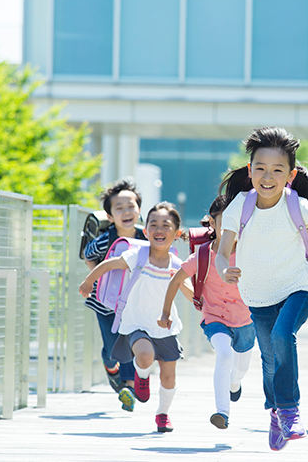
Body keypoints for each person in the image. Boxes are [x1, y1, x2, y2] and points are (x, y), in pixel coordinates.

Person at [215, 126, 308, 451]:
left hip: (298, 288)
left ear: (290, 175)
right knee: (270, 359)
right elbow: (221, 252)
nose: (267, 176)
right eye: (260, 168)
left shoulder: (297, 205)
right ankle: (275, 411)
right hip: (257, 296)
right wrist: (225, 271)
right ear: (250, 171)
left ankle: (290, 410)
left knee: (280, 336)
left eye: (277, 170)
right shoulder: (240, 206)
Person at [80, 202, 190, 433]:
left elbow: (190, 293)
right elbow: (110, 263)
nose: (159, 229)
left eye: (166, 225)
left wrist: (200, 298)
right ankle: (142, 376)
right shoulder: (137, 255)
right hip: (137, 323)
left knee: (169, 378)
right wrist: (89, 280)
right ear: (146, 230)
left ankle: (162, 414)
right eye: (153, 225)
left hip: (165, 327)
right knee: (144, 354)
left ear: (177, 233)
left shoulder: (178, 265)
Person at [158, 195, 255, 430]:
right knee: (224, 355)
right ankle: (222, 411)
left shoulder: (250, 252)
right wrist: (165, 313)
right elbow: (176, 280)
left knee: (240, 369)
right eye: (226, 223)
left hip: (246, 321)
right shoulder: (202, 255)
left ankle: (234, 383)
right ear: (212, 223)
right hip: (215, 319)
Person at [83, 180, 146, 406]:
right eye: (119, 208)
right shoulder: (104, 240)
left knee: (128, 342)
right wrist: (96, 277)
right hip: (105, 304)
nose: (126, 212)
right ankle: (110, 366)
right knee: (112, 349)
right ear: (109, 216)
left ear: (139, 210)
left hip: (133, 304)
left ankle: (128, 389)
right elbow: (88, 254)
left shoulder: (146, 238)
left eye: (131, 207)